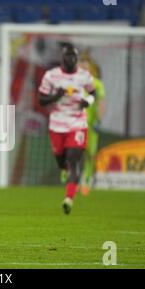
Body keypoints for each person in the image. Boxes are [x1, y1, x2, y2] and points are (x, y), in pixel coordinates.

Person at [38, 43, 95, 215]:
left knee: (73, 160)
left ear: (76, 58)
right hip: (57, 124)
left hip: (77, 123)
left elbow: (92, 93)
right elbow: (41, 99)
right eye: (67, 56)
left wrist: (88, 102)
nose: (71, 59)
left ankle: (69, 198)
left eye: (73, 56)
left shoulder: (85, 76)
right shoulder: (51, 76)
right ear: (62, 58)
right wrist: (57, 95)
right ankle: (64, 169)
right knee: (61, 161)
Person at [78, 56, 105, 196]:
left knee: (89, 154)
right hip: (75, 124)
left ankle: (86, 182)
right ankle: (74, 180)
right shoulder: (73, 84)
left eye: (86, 68)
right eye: (81, 68)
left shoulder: (97, 84)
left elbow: (100, 103)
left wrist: (99, 120)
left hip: (90, 125)